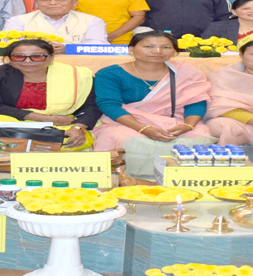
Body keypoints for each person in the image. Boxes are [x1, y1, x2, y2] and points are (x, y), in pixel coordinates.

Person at [91, 32, 214, 177]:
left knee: (199, 137)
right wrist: (144, 129)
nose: (157, 51)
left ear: (175, 52)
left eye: (166, 47)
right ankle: (130, 180)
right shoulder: (109, 74)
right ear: (131, 49)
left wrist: (188, 125)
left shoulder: (186, 72)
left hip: (175, 122)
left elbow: (196, 101)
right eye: (148, 46)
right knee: (125, 141)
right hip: (125, 123)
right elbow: (110, 105)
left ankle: (184, 180)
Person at [0, 39, 101, 150]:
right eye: (19, 56)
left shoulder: (76, 75)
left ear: (51, 57)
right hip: (12, 124)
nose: (28, 61)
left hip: (63, 124)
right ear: (9, 58)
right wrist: (47, 119)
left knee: (71, 142)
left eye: (37, 56)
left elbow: (91, 106)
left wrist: (78, 128)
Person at [2, 0, 109, 50]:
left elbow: (97, 47)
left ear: (74, 2)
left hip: (78, 67)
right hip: (32, 67)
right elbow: (9, 45)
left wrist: (68, 49)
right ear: (37, 3)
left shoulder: (93, 21)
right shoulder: (18, 21)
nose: (53, 3)